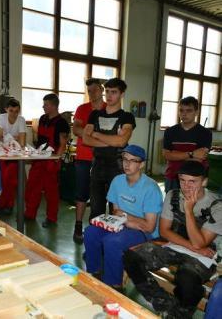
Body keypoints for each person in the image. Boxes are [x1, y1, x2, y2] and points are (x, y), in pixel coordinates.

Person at [123, 161, 222, 318]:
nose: (186, 186)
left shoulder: (216, 206)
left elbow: (200, 243)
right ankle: (165, 304)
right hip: (175, 245)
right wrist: (192, 246)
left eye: (193, 181)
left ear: (204, 181)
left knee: (186, 280)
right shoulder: (173, 195)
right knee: (131, 257)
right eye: (182, 180)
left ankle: (183, 307)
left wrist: (189, 210)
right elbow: (164, 230)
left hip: (205, 255)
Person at [83, 145, 163, 289]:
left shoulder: (151, 188)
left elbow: (149, 227)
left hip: (145, 233)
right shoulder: (117, 181)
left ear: (142, 164)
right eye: (125, 159)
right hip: (124, 225)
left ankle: (114, 285)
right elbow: (115, 212)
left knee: (112, 241)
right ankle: (94, 273)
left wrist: (126, 218)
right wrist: (128, 220)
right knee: (90, 232)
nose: (127, 164)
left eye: (133, 160)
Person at [83, 78, 136, 220]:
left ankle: (113, 241)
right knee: (95, 210)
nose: (109, 95)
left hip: (117, 168)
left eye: (114, 92)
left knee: (117, 211)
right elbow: (86, 139)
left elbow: (122, 141)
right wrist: (111, 141)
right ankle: (95, 240)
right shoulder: (95, 114)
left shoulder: (127, 117)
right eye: (107, 91)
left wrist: (96, 134)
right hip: (97, 167)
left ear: (122, 94)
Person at [24, 93, 69, 227]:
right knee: (33, 187)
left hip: (51, 160)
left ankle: (51, 218)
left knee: (51, 192)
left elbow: (62, 144)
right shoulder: (43, 118)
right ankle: (30, 213)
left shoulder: (62, 123)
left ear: (54, 106)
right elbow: (39, 139)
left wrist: (56, 160)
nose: (43, 107)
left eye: (46, 104)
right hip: (39, 158)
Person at [72, 78, 106, 243]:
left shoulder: (110, 109)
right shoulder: (82, 109)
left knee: (101, 196)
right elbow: (76, 129)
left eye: (95, 90)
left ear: (101, 90)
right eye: (89, 91)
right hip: (84, 158)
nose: (92, 93)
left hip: (104, 160)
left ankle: (97, 229)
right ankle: (78, 225)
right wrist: (96, 135)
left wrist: (88, 134)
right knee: (81, 194)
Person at [163, 96, 212, 193]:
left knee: (194, 206)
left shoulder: (205, 133)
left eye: (189, 110)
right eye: (181, 110)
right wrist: (191, 154)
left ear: (196, 112)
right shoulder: (170, 131)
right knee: (172, 205)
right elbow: (167, 155)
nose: (184, 114)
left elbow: (199, 158)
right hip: (172, 176)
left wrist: (176, 154)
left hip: (194, 178)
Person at [0, 98, 26, 214]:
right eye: (11, 111)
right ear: (6, 110)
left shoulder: (21, 120)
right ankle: (6, 204)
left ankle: (6, 204)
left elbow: (22, 142)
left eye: (16, 111)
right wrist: (14, 138)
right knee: (5, 179)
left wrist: (10, 139)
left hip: (16, 153)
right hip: (3, 152)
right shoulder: (1, 118)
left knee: (12, 179)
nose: (14, 114)